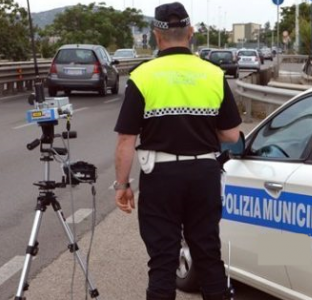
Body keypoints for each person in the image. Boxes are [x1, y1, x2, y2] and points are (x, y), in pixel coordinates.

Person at [113, 2, 242, 300]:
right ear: (191, 33)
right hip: (204, 175)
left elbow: (125, 141)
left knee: (162, 261)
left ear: (156, 36)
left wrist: (122, 185)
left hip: (161, 177)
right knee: (208, 256)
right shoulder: (212, 74)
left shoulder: (143, 76)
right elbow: (231, 135)